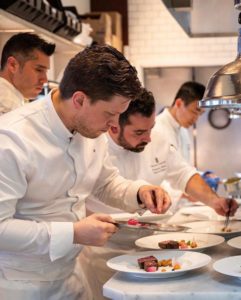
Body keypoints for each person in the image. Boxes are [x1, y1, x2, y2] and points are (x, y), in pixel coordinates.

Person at [0, 45, 171, 300]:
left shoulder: (92, 130)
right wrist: (73, 233)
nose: (115, 124)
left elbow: (105, 182)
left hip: (73, 277)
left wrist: (140, 192)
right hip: (19, 286)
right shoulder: (12, 139)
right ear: (79, 99)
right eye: (111, 114)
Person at [80, 88, 238, 300]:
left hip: (152, 242)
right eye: (138, 133)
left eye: (150, 129)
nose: (148, 139)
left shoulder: (158, 138)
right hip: (105, 246)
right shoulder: (94, 145)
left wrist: (215, 200)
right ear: (114, 126)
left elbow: (183, 174)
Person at [155, 81, 220, 204]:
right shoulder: (156, 129)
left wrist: (204, 176)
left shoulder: (183, 131)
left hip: (178, 207)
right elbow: (155, 174)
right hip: (160, 206)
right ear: (179, 103)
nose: (196, 119)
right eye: (195, 111)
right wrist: (184, 193)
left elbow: (182, 167)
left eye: (200, 114)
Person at [0, 32, 55, 115]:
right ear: (13, 65)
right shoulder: (8, 106)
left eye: (45, 71)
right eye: (39, 70)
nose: (45, 80)